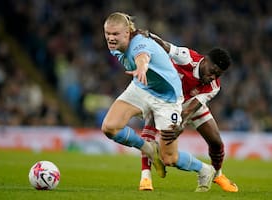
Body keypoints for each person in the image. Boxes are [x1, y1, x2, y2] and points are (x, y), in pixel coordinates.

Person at [102, 12, 215, 192]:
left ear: (127, 32)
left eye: (115, 34)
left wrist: (141, 67)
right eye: (107, 33)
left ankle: (205, 170)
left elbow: (143, 56)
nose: (110, 38)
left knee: (169, 158)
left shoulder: (139, 43)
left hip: (167, 99)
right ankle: (148, 148)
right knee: (109, 127)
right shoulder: (114, 47)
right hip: (142, 88)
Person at [138, 32, 238, 192]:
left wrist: (180, 123)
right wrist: (148, 35)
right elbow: (165, 45)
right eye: (212, 71)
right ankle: (145, 177)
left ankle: (218, 174)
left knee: (216, 142)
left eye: (218, 75)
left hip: (190, 105)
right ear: (205, 60)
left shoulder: (213, 87)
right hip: (166, 99)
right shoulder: (187, 57)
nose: (213, 77)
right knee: (150, 131)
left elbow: (193, 108)